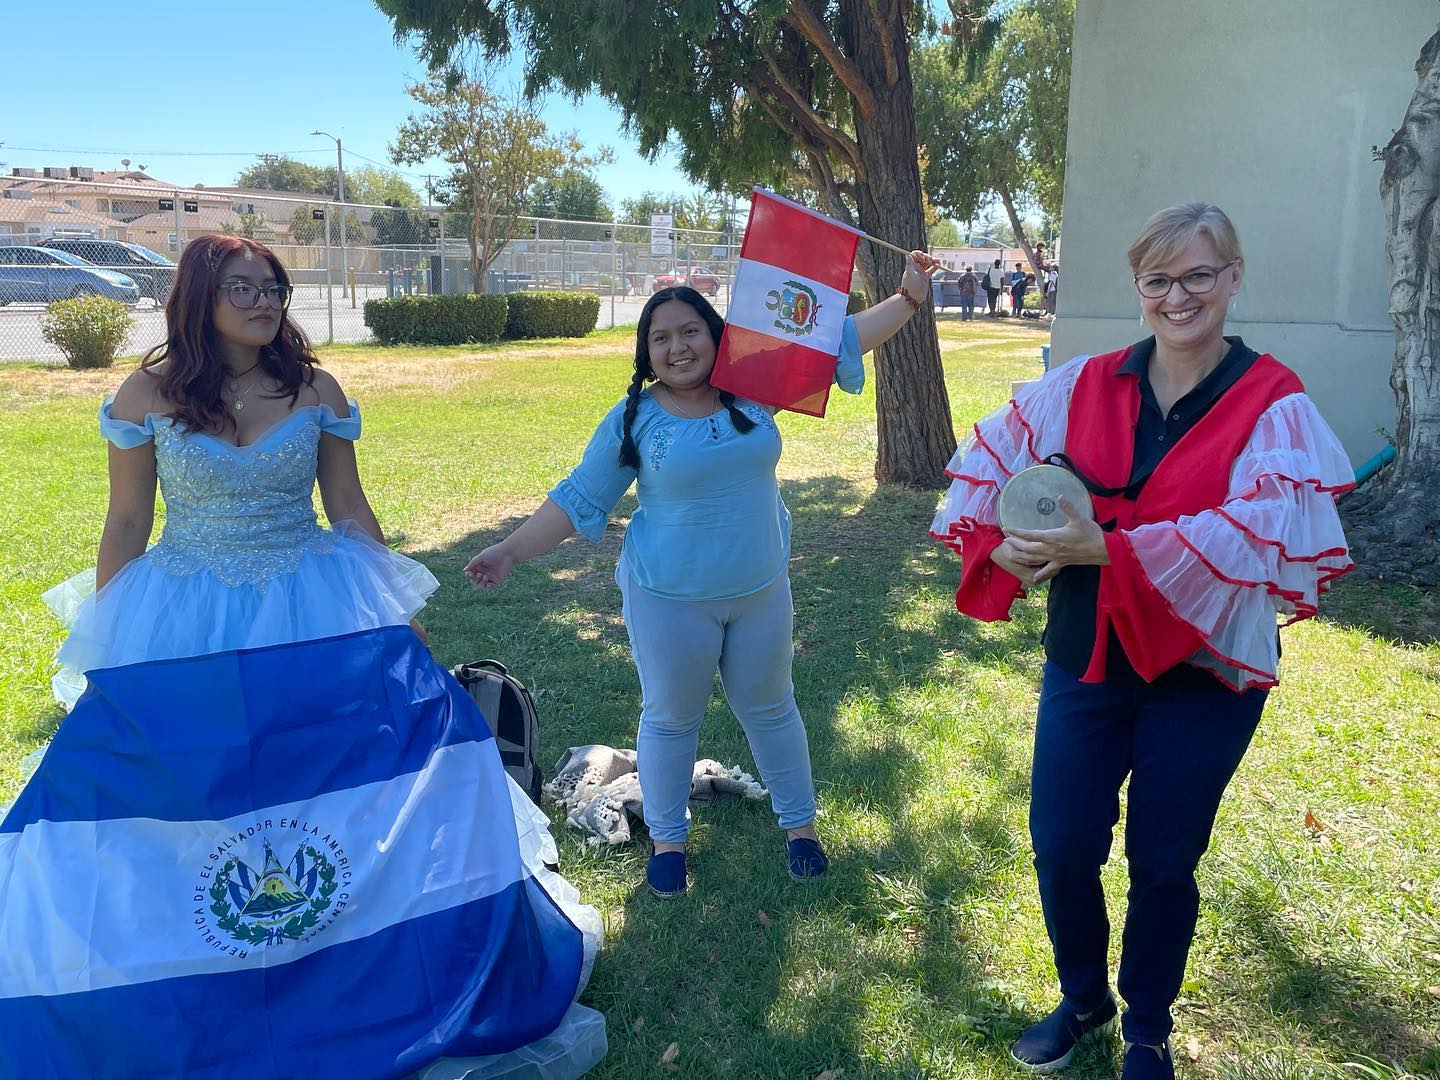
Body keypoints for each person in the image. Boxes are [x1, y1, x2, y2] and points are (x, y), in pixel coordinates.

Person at [23, 233, 601, 1076]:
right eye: (243, 288)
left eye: (273, 288)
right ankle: (209, 961)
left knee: (329, 783)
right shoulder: (147, 392)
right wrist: (108, 641)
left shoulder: (316, 387)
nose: (264, 302)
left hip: (312, 599)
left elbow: (350, 512)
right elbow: (125, 523)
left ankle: (328, 955)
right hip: (188, 612)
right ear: (199, 297)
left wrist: (399, 620)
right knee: (199, 787)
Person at [929, 204, 1353, 1078]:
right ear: (1139, 289)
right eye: (1158, 279)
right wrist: (1005, 545)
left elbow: (1256, 535)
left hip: (1201, 671)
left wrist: (1110, 549)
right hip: (1086, 655)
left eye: (1198, 275)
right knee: (1062, 841)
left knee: (1164, 858)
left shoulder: (1271, 399)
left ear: (1233, 278)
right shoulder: (1084, 385)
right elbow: (992, 473)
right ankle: (1084, 999)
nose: (1178, 296)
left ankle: (1147, 1025)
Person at [465, 253, 939, 899]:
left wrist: (908, 299)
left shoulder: (754, 386)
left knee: (772, 709)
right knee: (670, 718)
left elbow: (837, 341)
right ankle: (667, 843)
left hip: (760, 590)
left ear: (715, 335)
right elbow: (579, 496)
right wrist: (511, 551)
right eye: (660, 337)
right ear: (646, 351)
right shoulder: (635, 418)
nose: (676, 345)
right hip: (670, 599)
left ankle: (800, 829)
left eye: (689, 330)